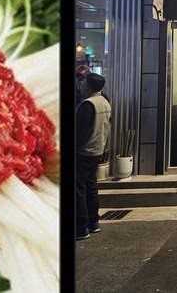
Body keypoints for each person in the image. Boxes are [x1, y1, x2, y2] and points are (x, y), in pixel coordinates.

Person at [75, 72, 112, 240]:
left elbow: (80, 132)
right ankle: (93, 222)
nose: (80, 85)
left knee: (78, 189)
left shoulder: (88, 105)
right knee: (91, 186)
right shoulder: (105, 102)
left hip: (84, 151)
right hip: (97, 150)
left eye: (83, 83)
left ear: (89, 86)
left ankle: (81, 227)